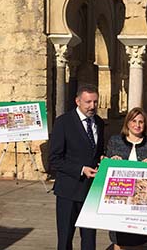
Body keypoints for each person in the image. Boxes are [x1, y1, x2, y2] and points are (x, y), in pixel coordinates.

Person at [49, 84, 105, 250]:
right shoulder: (63, 123)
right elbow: (54, 159)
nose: (92, 106)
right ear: (77, 101)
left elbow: (97, 151)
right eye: (88, 102)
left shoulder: (100, 123)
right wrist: (81, 169)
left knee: (89, 239)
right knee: (65, 238)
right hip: (68, 190)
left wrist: (102, 159)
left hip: (90, 191)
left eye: (95, 102)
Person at [105, 107, 147, 250]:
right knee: (119, 239)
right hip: (120, 197)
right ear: (127, 123)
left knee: (137, 239)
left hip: (140, 199)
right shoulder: (115, 141)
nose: (137, 125)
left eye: (141, 122)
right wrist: (111, 161)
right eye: (134, 121)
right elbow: (106, 167)